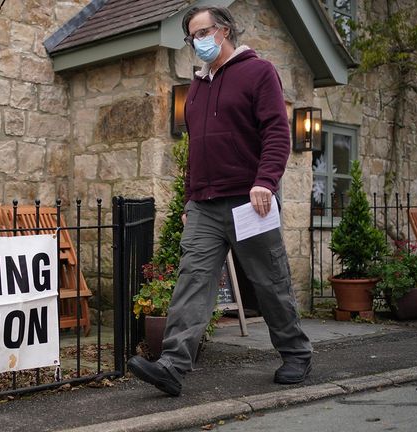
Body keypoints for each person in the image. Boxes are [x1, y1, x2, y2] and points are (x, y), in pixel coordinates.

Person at [127, 6, 313, 397]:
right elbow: (197, 147)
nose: (197, 42)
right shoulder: (197, 86)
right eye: (191, 37)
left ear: (224, 30)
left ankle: (296, 352)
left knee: (269, 280)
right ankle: (173, 366)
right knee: (192, 281)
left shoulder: (259, 72)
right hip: (205, 205)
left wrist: (266, 181)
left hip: (251, 201)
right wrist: (191, 195)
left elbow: (278, 133)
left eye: (202, 33)